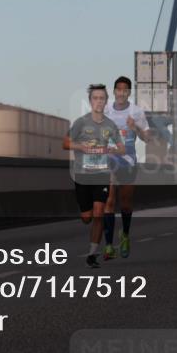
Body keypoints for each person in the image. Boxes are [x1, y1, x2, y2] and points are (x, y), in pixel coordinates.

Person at [63, 84, 126, 269]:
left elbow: (121, 148)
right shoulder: (81, 122)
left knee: (99, 213)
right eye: (95, 98)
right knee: (87, 218)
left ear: (106, 102)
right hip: (82, 175)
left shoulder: (110, 125)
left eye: (102, 98)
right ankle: (86, 215)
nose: (99, 101)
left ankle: (91, 254)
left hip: (101, 174)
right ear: (90, 101)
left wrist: (113, 149)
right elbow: (65, 143)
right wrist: (80, 146)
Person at [101, 76, 152, 260]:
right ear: (114, 91)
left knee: (126, 202)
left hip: (128, 161)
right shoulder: (106, 109)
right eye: (118, 89)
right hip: (109, 158)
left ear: (129, 92)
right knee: (109, 200)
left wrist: (135, 127)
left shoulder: (136, 111)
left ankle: (125, 235)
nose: (121, 92)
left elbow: (147, 138)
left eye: (125, 90)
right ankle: (108, 245)